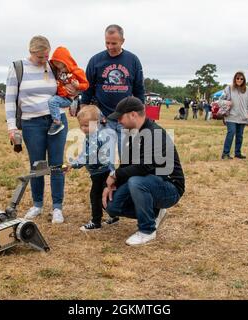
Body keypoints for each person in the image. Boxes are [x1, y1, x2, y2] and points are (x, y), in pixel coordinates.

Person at [5, 35, 77, 223]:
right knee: (37, 165)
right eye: (40, 57)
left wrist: (73, 91)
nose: (44, 60)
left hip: (57, 121)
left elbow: (67, 88)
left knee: (56, 165)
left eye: (46, 56)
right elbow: (10, 99)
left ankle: (57, 208)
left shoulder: (53, 66)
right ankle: (37, 204)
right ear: (31, 52)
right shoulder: (17, 67)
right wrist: (12, 127)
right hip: (31, 123)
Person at [103, 97, 185, 246]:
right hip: (147, 183)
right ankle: (155, 212)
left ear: (133, 114)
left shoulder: (155, 132)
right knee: (111, 205)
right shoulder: (132, 134)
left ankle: (147, 230)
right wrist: (112, 185)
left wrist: (114, 174)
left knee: (136, 182)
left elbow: (145, 166)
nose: (119, 121)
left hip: (170, 187)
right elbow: (126, 165)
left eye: (121, 117)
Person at [81, 24, 145, 155]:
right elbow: (87, 88)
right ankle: (107, 176)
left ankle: (124, 176)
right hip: (103, 117)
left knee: (128, 156)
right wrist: (83, 112)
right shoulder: (95, 61)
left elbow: (139, 89)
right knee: (102, 158)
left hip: (126, 117)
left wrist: (140, 115)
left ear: (122, 41)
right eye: (107, 43)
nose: (110, 47)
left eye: (114, 43)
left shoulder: (133, 60)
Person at [67, 105, 119, 231]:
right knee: (104, 196)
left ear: (96, 122)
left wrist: (74, 164)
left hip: (101, 172)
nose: (83, 128)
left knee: (95, 196)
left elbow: (88, 156)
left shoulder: (96, 137)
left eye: (86, 125)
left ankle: (96, 222)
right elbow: (84, 153)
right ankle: (113, 215)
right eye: (81, 125)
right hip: (100, 171)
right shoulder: (92, 135)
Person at [47, 47, 89, 135]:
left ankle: (57, 123)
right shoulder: (58, 71)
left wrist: (78, 86)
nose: (57, 65)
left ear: (65, 61)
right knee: (53, 100)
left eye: (59, 63)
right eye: (55, 63)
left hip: (67, 99)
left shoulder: (77, 71)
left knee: (52, 101)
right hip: (60, 96)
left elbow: (86, 85)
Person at [219, 72, 248, 160]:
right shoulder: (229, 88)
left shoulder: (247, 89)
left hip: (242, 116)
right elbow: (220, 100)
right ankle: (225, 153)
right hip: (231, 116)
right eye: (237, 78)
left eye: (241, 79)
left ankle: (238, 153)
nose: (239, 80)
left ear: (244, 80)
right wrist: (227, 102)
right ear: (235, 79)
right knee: (231, 133)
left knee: (240, 135)